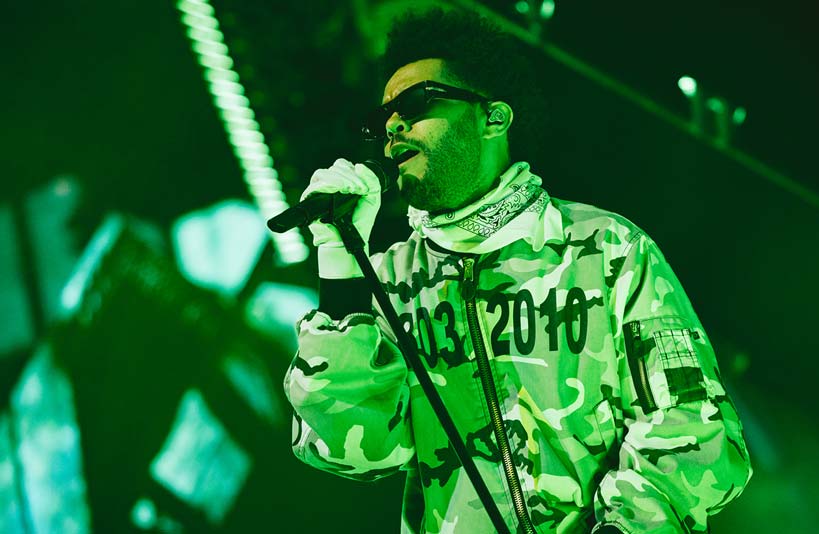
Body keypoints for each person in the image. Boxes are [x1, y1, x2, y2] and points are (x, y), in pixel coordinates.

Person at [284, 8, 752, 534]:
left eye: (415, 103)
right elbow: (357, 450)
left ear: (494, 118)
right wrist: (342, 266)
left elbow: (696, 430)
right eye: (383, 117)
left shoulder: (606, 247)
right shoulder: (389, 284)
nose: (393, 125)